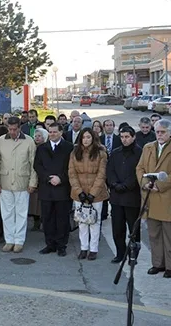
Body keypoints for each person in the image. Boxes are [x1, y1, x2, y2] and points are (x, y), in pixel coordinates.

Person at [0, 116, 38, 253]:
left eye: (14, 129)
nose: (12, 132)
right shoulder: (1, 141)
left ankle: (19, 241)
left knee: (21, 213)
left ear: (19, 128)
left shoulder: (29, 142)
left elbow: (33, 164)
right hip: (5, 181)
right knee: (7, 213)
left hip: (22, 182)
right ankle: (9, 240)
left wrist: (32, 182)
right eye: (10, 129)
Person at [136, 119, 171, 278]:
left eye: (163, 132)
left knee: (168, 235)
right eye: (157, 132)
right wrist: (145, 184)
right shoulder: (148, 147)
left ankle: (170, 266)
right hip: (150, 197)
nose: (159, 135)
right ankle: (158, 264)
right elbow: (140, 168)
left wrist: (161, 185)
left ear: (169, 132)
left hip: (166, 197)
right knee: (154, 235)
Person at [34, 123, 74, 257]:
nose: (52, 134)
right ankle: (50, 244)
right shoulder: (42, 148)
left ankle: (62, 245)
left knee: (62, 219)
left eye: (55, 132)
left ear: (61, 132)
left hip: (62, 189)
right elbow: (37, 166)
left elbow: (72, 167)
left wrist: (61, 178)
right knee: (47, 218)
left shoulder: (69, 147)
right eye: (50, 132)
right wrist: (48, 178)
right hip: (46, 189)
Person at [68, 128, 108, 261]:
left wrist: (92, 194)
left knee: (94, 222)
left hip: (96, 194)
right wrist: (79, 192)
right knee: (82, 222)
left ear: (93, 138)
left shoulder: (101, 153)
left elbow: (101, 175)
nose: (86, 140)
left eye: (88, 137)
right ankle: (83, 248)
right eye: (83, 137)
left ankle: (93, 249)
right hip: (79, 193)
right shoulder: (74, 153)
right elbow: (72, 174)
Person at [107, 126, 142, 263]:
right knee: (117, 228)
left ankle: (133, 255)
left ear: (133, 137)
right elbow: (110, 170)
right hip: (116, 196)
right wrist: (114, 184)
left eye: (127, 137)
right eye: (122, 137)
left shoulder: (139, 152)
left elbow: (138, 172)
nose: (124, 140)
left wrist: (126, 185)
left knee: (133, 229)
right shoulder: (116, 152)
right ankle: (120, 253)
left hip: (131, 197)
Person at [29, 128, 49, 232]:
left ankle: (44, 222)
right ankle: (36, 222)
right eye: (35, 136)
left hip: (43, 178)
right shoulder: (32, 147)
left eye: (39, 136)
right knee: (33, 202)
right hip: (33, 177)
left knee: (42, 203)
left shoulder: (47, 148)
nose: (37, 138)